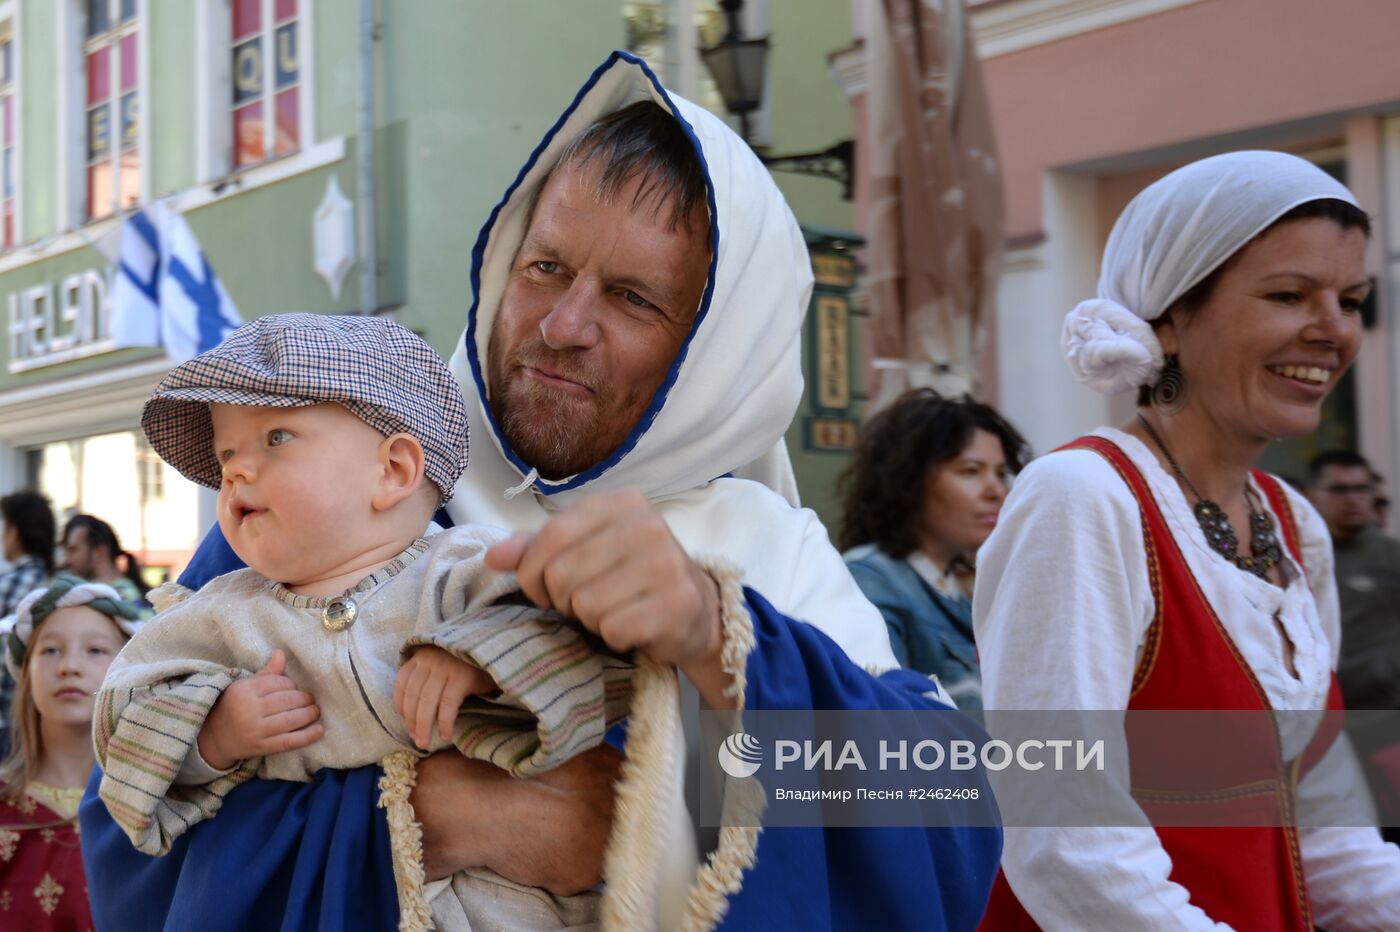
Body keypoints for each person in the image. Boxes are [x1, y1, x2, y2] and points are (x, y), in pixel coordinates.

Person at [81, 51, 1001, 931]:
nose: (562, 325)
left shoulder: (775, 557)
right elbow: (125, 850)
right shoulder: (343, 495)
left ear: (716, 355)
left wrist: (719, 645)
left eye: (634, 299)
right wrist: (443, 818)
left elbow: (948, 835)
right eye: (546, 267)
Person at [94, 312, 634, 929]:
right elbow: (120, 738)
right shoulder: (222, 610)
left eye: (276, 438)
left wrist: (477, 657)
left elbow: (754, 792)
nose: (568, 319)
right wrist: (211, 733)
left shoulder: (464, 570)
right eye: (225, 456)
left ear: (394, 471)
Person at [974, 150, 1400, 930]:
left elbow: (1325, 828)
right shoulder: (1084, 499)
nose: (1335, 331)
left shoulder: (1292, 524)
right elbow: (1065, 833)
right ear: (1171, 318)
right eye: (1288, 295)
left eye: (1352, 298)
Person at [839, 390, 1029, 709]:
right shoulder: (871, 581)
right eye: (971, 471)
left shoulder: (958, 588)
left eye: (1000, 473)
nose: (996, 491)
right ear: (909, 480)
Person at [0, 574, 143, 929]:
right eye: (50, 650)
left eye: (95, 650)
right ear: (26, 672)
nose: (69, 666)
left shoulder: (156, 806)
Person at [1307, 449, 1400, 842]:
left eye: (1361, 489)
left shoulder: (1390, 558)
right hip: (1320, 726)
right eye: (1340, 489)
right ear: (1314, 495)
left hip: (1384, 722)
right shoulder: (1297, 557)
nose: (1353, 499)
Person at [0, 491, 56, 739]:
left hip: (6, 716)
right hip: (45, 717)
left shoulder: (9, 583)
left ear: (15, 532)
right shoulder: (59, 583)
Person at [60, 514, 150, 605]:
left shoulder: (119, 599)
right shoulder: (118, 596)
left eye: (73, 550)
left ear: (99, 552)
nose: (66, 560)